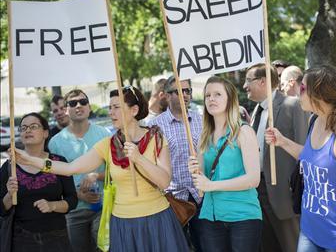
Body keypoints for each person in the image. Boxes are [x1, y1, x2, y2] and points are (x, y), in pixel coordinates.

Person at [14, 86, 189, 252]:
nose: (110, 112)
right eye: (110, 107)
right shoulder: (108, 145)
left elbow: (164, 181)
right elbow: (69, 168)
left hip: (157, 220)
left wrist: (138, 158)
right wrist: (32, 161)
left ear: (134, 110)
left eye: (116, 107)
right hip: (123, 224)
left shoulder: (156, 138)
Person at [265, 66, 336, 252]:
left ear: (319, 93)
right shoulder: (314, 121)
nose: (299, 91)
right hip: (310, 231)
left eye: (304, 88)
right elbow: (311, 158)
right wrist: (282, 142)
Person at [188, 76, 262, 252]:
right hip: (210, 216)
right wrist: (195, 172)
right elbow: (201, 188)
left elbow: (253, 179)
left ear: (230, 99)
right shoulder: (204, 138)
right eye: (207, 95)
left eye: (217, 94)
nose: (211, 99)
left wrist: (211, 185)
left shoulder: (244, 132)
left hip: (243, 216)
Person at [243, 63, 309, 252]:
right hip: (258, 194)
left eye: (249, 80)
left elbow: (304, 151)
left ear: (263, 81)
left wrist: (296, 191)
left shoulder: (292, 105)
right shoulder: (256, 110)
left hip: (285, 195)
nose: (245, 86)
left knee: (292, 246)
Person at [1, 112, 77, 251]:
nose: (27, 130)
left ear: (45, 133)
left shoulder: (58, 163)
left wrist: (53, 205)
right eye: (23, 128)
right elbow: (1, 209)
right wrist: (9, 195)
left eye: (33, 126)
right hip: (21, 239)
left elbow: (72, 200)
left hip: (57, 238)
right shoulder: (9, 166)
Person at [48, 89, 111, 252]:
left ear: (89, 107)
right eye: (73, 103)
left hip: (103, 207)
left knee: (104, 249)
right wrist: (77, 194)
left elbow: (117, 171)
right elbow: (54, 182)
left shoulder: (105, 134)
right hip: (74, 210)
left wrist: (96, 175)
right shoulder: (55, 142)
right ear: (66, 109)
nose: (78, 106)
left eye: (83, 102)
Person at [152, 76, 203, 251]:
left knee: (205, 246)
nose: (185, 95)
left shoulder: (201, 120)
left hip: (200, 194)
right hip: (172, 199)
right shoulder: (154, 126)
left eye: (187, 90)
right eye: (178, 91)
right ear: (166, 95)